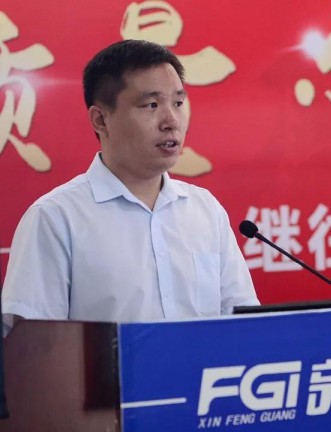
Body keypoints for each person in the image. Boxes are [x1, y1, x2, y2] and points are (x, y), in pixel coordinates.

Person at [1, 40, 258, 333]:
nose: (171, 121)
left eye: (177, 103)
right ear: (101, 120)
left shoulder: (205, 209)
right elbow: (35, 346)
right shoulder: (56, 218)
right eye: (151, 105)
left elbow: (245, 324)